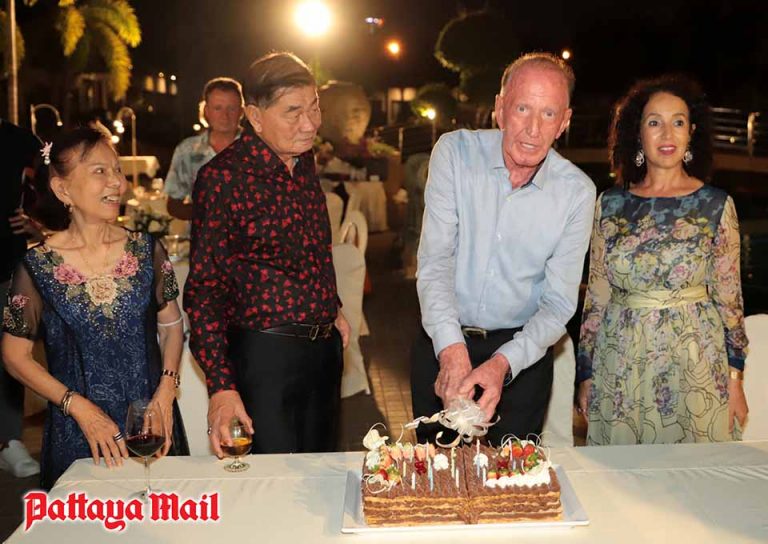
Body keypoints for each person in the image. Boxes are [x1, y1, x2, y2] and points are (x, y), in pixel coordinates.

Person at [411, 52, 596, 445]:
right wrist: (451, 350)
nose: (533, 129)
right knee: (435, 473)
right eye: (522, 108)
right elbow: (435, 262)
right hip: (443, 336)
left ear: (564, 122)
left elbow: (558, 304)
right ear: (499, 109)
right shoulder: (454, 153)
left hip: (521, 356)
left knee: (515, 477)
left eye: (548, 114)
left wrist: (502, 364)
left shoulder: (577, 193)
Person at [2, 127, 189, 489]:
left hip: (152, 426)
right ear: (62, 189)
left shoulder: (146, 250)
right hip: (79, 433)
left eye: (117, 170)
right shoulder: (37, 267)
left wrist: (167, 391)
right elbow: (14, 356)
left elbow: (171, 325)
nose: (116, 182)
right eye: (100, 171)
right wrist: (79, 408)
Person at [185, 52, 350, 457]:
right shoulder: (223, 178)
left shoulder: (303, 162)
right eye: (293, 112)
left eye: (314, 108)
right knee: (271, 480)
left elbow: (313, 246)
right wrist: (221, 386)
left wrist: (332, 306)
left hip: (323, 351)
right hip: (266, 357)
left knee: (323, 473)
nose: (310, 124)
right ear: (255, 117)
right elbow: (205, 288)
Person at [576, 75, 749, 445]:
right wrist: (586, 372)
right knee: (621, 472)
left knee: (695, 472)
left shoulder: (716, 205)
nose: (667, 133)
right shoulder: (610, 204)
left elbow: (729, 299)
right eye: (654, 122)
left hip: (695, 361)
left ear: (691, 134)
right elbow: (597, 296)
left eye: (678, 122)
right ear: (638, 134)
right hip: (621, 360)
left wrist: (736, 378)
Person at [0, 118, 42, 478]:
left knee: (9, 352)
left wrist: (36, 221)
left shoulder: (19, 140)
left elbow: (51, 185)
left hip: (5, 262)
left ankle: (9, 440)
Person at [165, 77, 244, 220]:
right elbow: (173, 205)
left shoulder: (258, 149)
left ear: (241, 111)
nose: (225, 116)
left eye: (231, 108)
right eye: (218, 108)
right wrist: (211, 215)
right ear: (206, 111)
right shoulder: (187, 150)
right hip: (202, 233)